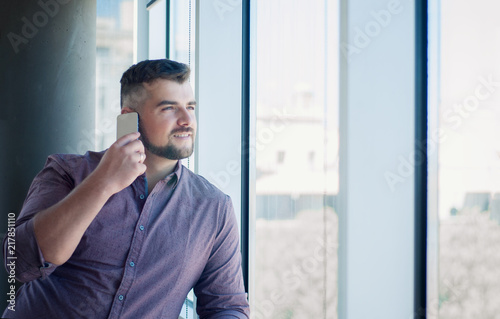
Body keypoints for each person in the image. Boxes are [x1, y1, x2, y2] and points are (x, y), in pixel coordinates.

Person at [3, 59, 250, 318]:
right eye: (169, 108)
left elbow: (226, 307)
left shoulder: (214, 207)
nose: (186, 120)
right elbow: (17, 264)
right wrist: (103, 183)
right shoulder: (66, 171)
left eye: (190, 107)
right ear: (128, 118)